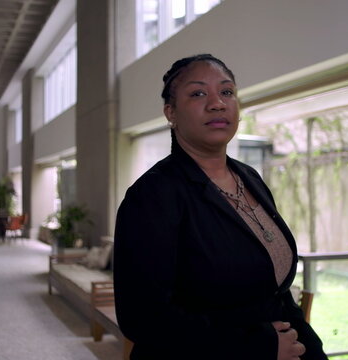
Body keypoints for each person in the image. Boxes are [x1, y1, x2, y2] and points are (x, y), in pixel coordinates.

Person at [114, 54, 328, 360]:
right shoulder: (152, 196)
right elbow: (144, 320)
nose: (217, 103)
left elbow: (273, 292)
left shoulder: (249, 177)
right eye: (198, 93)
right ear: (170, 112)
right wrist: (259, 346)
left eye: (226, 92)